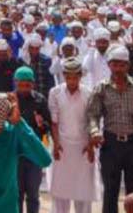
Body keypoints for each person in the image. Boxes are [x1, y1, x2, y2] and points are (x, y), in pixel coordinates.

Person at [86, 46, 133, 213]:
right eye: (115, 65)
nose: (118, 69)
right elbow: (92, 115)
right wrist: (95, 131)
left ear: (128, 66)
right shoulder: (101, 88)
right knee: (110, 192)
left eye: (122, 65)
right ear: (109, 65)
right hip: (110, 144)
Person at [48, 57, 97, 213]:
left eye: (75, 76)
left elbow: (91, 121)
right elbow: (54, 122)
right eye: (68, 77)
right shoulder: (55, 93)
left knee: (83, 190)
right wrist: (56, 144)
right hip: (62, 145)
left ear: (80, 76)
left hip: (83, 146)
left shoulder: (89, 93)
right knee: (61, 190)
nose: (72, 80)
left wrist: (90, 145)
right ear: (63, 75)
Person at [13, 66, 52, 213]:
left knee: (33, 195)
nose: (24, 88)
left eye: (27, 85)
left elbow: (47, 127)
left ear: (33, 84)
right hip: (15, 153)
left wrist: (42, 124)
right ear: (15, 82)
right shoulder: (10, 99)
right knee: (16, 194)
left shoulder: (40, 100)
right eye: (20, 84)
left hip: (34, 154)